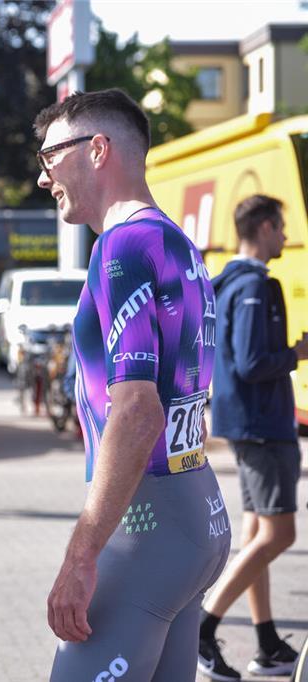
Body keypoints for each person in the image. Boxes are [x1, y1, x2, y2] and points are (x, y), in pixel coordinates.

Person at [34, 89, 231, 680]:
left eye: (49, 158)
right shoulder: (174, 240)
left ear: (98, 150)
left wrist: (81, 554)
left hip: (148, 525)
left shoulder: (121, 246)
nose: (43, 178)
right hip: (197, 512)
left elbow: (137, 411)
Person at [197, 194, 307, 680]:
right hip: (263, 425)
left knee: (257, 532)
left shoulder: (226, 282)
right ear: (263, 228)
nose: (285, 236)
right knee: (281, 534)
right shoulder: (257, 286)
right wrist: (297, 354)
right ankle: (204, 626)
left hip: (247, 423)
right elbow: (251, 362)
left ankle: (266, 644)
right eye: (281, 227)